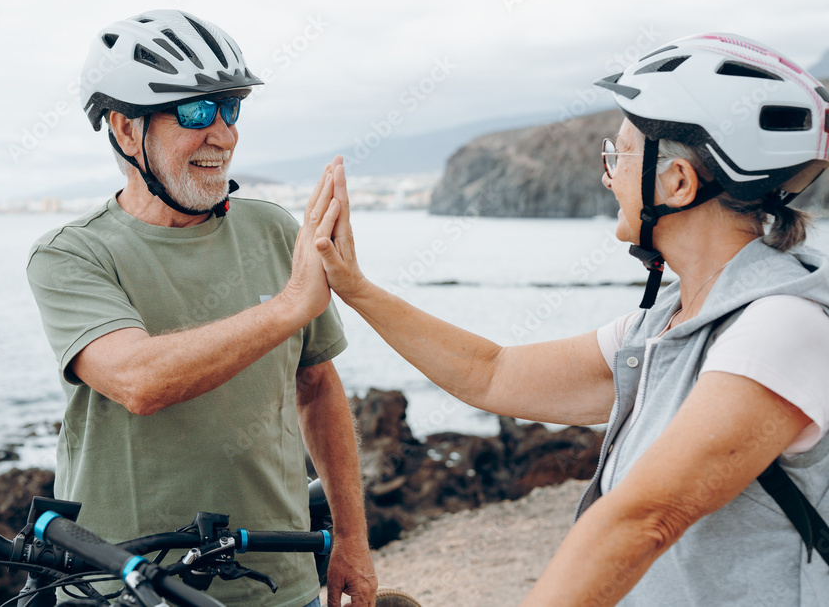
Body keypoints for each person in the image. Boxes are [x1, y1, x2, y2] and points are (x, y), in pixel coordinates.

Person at [303, 33, 829, 605]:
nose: (608, 175)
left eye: (621, 154)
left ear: (678, 183)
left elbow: (644, 518)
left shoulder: (780, 325)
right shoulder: (667, 325)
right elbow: (492, 372)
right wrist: (356, 288)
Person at [26, 10, 376, 607]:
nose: (223, 134)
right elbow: (139, 381)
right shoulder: (71, 254)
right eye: (194, 111)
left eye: (230, 108)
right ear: (125, 129)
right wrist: (289, 306)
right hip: (122, 587)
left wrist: (352, 539)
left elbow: (316, 386)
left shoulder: (270, 229)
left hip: (279, 583)